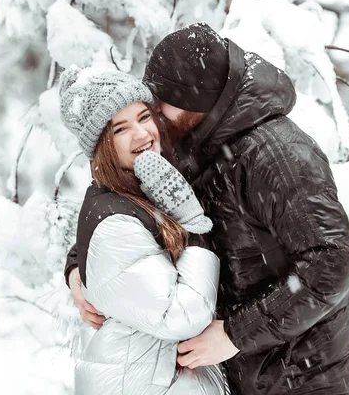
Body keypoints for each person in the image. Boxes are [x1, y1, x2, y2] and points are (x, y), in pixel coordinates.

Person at [71, 22, 349, 394]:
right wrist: (79, 267)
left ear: (193, 99)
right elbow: (130, 207)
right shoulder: (192, 141)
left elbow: (330, 264)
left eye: (160, 101)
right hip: (238, 374)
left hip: (300, 378)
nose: (154, 112)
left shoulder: (277, 155)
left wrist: (237, 333)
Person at [59, 66, 227, 395]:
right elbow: (180, 314)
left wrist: (73, 268)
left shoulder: (141, 187)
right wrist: (194, 227)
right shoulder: (115, 216)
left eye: (144, 117)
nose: (142, 134)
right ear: (102, 146)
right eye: (121, 129)